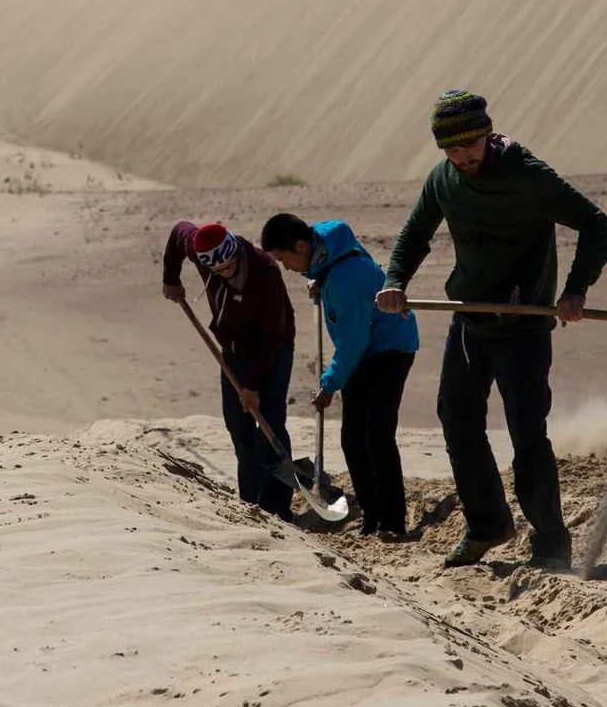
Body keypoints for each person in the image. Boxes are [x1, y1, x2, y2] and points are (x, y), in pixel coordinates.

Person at [377, 90, 607, 572]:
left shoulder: (527, 175)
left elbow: (594, 224)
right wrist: (395, 281)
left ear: (487, 134)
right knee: (457, 420)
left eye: (469, 146)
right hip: (470, 320)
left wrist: (575, 289)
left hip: (522, 328)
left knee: (527, 434)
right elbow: (415, 233)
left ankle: (550, 540)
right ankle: (487, 524)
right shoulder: (444, 179)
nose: (461, 157)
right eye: (450, 149)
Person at [261, 213, 418, 539]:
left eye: (285, 259)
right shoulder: (325, 244)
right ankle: (372, 518)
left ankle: (392, 521)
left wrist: (329, 384)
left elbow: (353, 342)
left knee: (377, 435)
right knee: (353, 439)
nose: (286, 267)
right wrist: (318, 276)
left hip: (390, 347)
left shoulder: (347, 279)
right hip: (363, 349)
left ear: (301, 246)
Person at [162, 220, 296, 520]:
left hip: (273, 350)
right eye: (217, 271)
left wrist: (253, 386)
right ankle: (252, 503)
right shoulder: (202, 251)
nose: (224, 273)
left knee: (270, 425)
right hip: (233, 351)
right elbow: (178, 231)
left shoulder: (265, 273)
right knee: (240, 429)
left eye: (228, 267)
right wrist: (170, 278)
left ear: (235, 252)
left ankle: (277, 507)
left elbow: (272, 339)